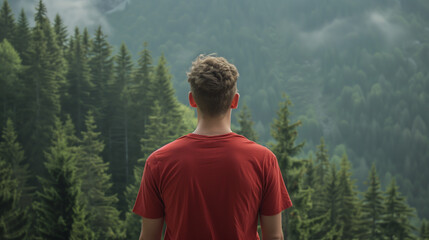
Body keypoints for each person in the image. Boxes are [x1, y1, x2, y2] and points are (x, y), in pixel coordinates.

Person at [133, 54, 292, 240]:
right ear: (235, 101)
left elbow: (149, 237)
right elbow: (274, 236)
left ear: (192, 100)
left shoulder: (158, 162)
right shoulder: (264, 160)